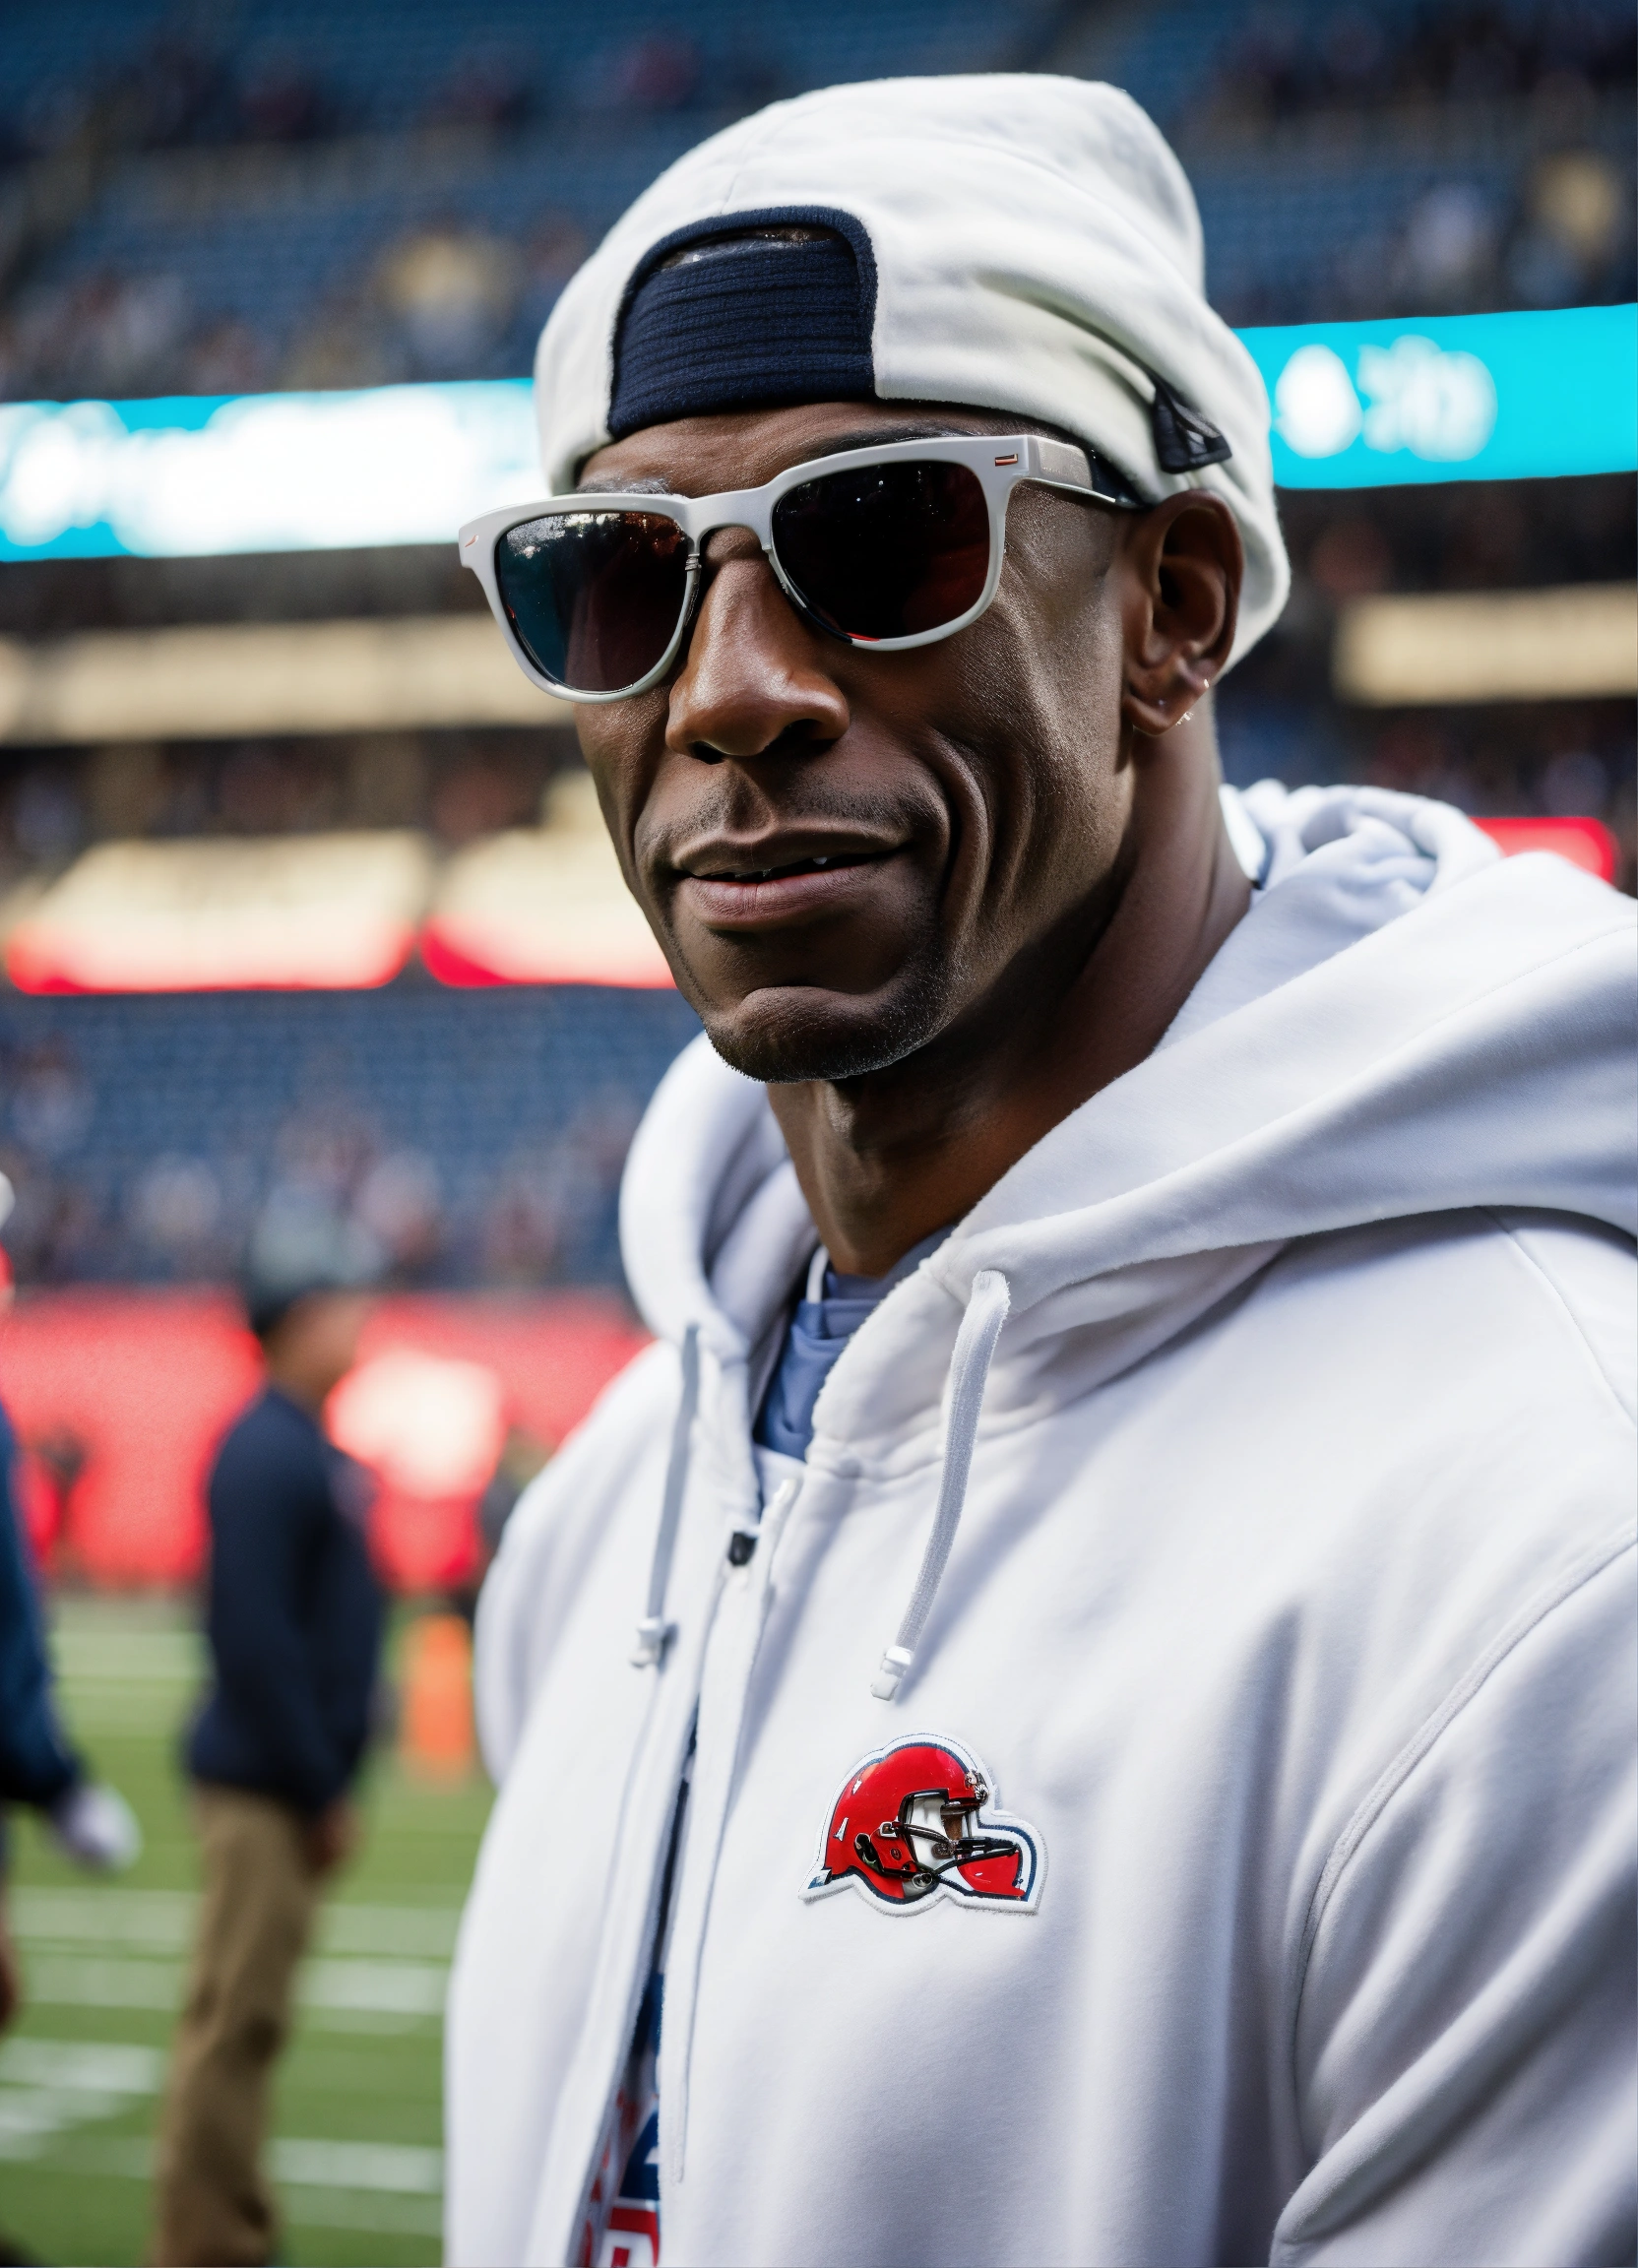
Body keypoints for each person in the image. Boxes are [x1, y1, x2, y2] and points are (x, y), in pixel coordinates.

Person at [445, 75, 1636, 2268]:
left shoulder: (1550, 1556)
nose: (729, 692)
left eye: (882, 538)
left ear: (1171, 602)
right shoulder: (614, 1508)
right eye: (619, 581)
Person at [150, 1270, 381, 2268]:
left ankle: (225, 2221)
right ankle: (206, 2240)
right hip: (263, 1788)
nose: (359, 1324)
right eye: (340, 1309)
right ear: (295, 1325)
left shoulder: (300, 1444)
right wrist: (319, 1783)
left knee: (249, 2017)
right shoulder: (265, 1450)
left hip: (281, 1780)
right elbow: (253, 1638)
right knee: (233, 2020)